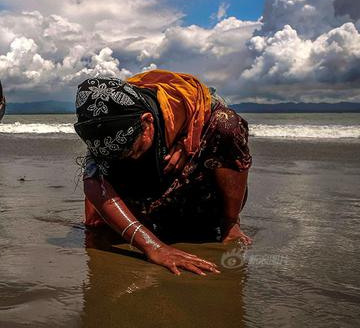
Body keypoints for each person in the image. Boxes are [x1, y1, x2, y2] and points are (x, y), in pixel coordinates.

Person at [74, 70, 252, 276]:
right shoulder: (105, 124)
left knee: (226, 124)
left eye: (130, 150)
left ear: (147, 122)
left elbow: (222, 128)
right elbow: (94, 181)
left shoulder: (194, 103)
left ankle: (230, 224)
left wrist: (188, 140)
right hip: (147, 201)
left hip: (197, 199)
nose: (126, 158)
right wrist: (154, 247)